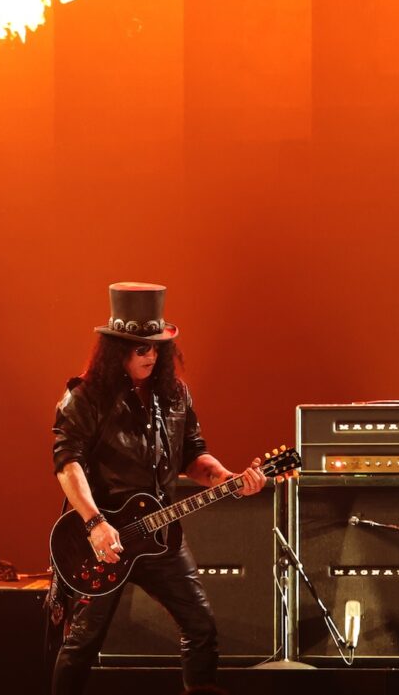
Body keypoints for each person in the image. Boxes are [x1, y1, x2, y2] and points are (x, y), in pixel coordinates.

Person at [50, 282, 266, 695]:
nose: (149, 355)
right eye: (139, 347)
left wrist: (229, 480)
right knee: (82, 643)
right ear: (117, 351)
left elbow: (195, 456)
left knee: (201, 626)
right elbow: (67, 463)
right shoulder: (86, 396)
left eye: (155, 347)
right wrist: (95, 522)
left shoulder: (175, 395)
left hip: (161, 535)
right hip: (104, 538)